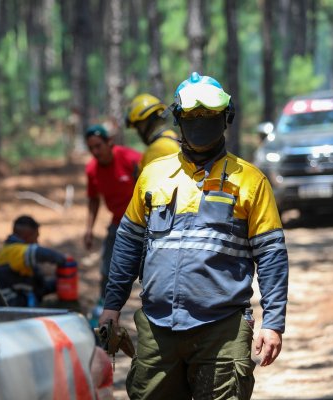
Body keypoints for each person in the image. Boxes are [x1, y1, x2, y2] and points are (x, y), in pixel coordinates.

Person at [99, 72, 289, 399]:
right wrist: (111, 306)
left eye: (209, 117)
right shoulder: (154, 176)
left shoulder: (251, 182)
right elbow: (128, 245)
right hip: (158, 328)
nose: (200, 123)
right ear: (178, 120)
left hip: (223, 330)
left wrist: (273, 322)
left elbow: (271, 256)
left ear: (225, 119)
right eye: (192, 117)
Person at [84, 124, 142, 299]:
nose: (95, 151)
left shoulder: (131, 158)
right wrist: (89, 229)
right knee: (107, 269)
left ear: (109, 142)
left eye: (98, 146)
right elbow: (93, 200)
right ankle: (104, 308)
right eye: (91, 148)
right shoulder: (92, 169)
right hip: (118, 223)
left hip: (143, 223)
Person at [0, 215, 66, 307]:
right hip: (11, 307)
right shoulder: (12, 251)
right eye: (36, 237)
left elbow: (38, 288)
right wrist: (63, 259)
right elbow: (39, 253)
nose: (37, 242)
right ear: (27, 235)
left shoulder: (21, 260)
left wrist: (59, 283)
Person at [125, 93, 181, 170]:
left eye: (137, 125)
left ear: (147, 120)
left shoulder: (156, 150)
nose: (137, 131)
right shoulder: (171, 137)